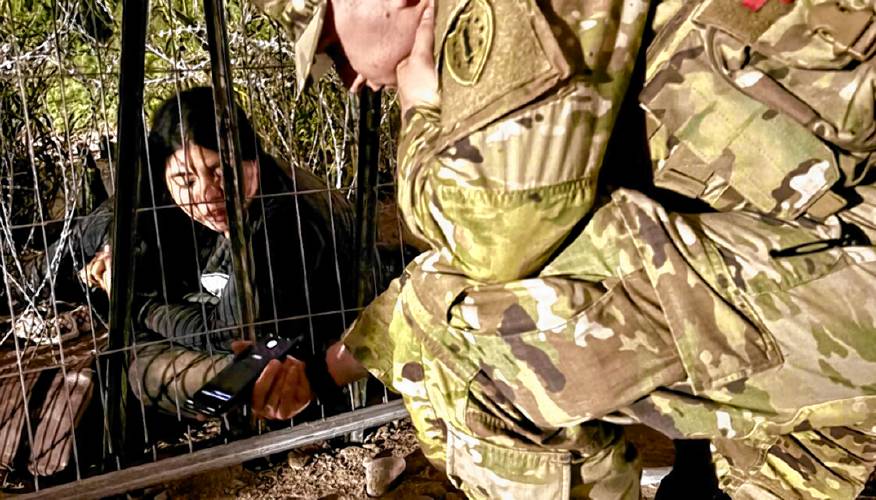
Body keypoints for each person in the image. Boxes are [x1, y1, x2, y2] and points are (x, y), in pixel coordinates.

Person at [251, 0, 876, 498]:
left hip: (839, 270)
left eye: (332, 49)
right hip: (814, 273)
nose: (352, 82)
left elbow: (489, 246)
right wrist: (321, 371)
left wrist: (420, 111)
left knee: (460, 347)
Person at [128, 87, 360, 420]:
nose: (207, 194)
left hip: (314, 361)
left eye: (221, 172)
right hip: (275, 338)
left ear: (249, 159)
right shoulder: (253, 190)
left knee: (143, 370)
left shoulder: (281, 217)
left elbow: (233, 332)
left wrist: (141, 306)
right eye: (185, 179)